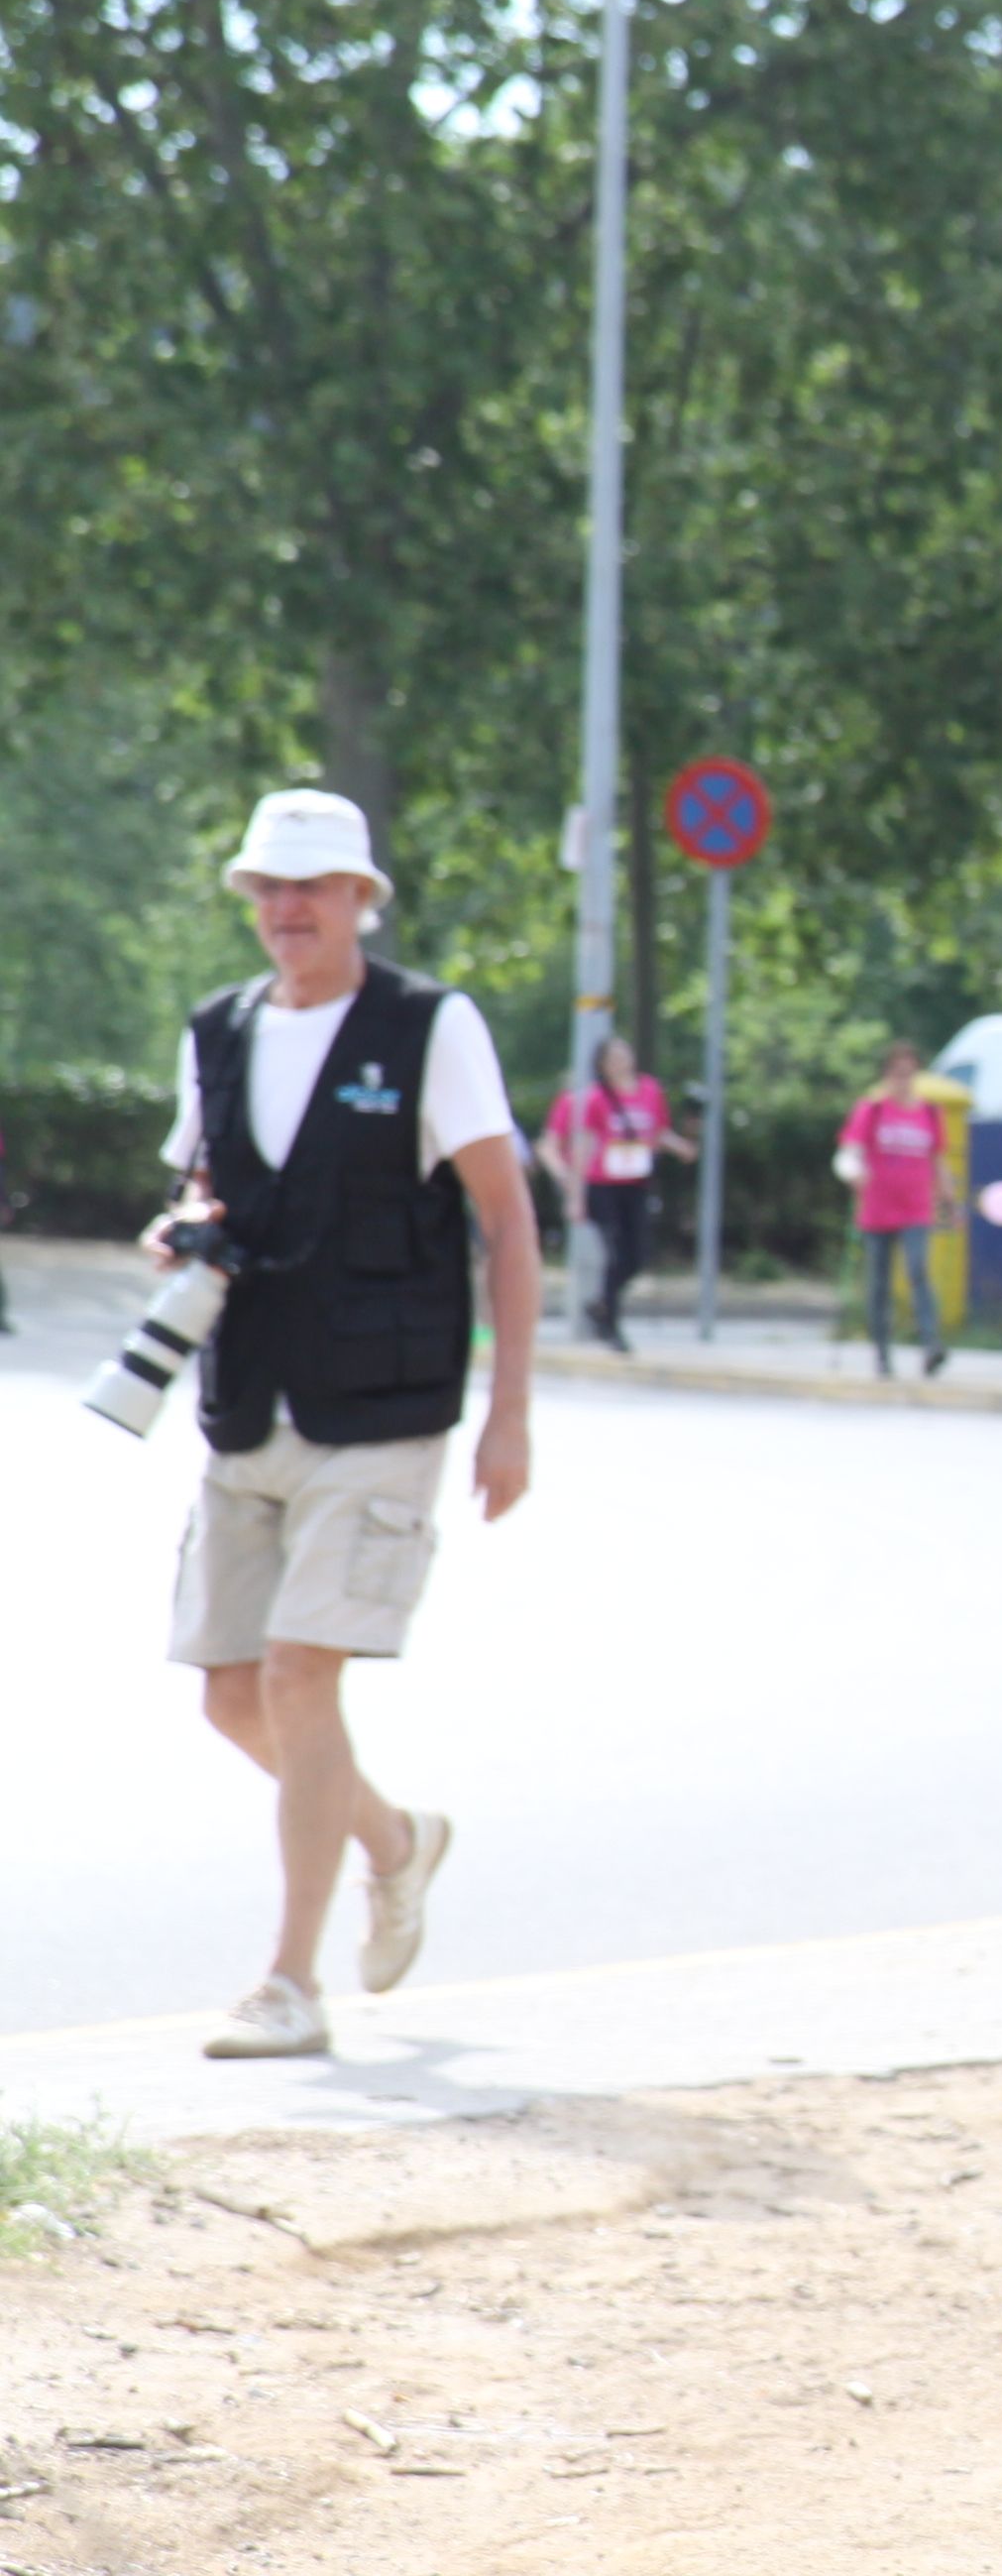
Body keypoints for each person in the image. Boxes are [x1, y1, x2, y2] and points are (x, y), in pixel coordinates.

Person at [148, 789, 528, 2061]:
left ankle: (287, 1983)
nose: (289, 908)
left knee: (303, 1677)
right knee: (230, 1694)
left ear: (364, 897)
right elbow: (206, 1182)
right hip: (244, 1400)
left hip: (385, 1408)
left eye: (314, 886)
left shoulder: (431, 1028)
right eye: (270, 887)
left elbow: (507, 1216)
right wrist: (179, 1233)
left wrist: (508, 1413)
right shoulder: (219, 1031)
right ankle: (392, 1838)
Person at [537, 1033, 689, 1353]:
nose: (621, 1062)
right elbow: (582, 1145)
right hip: (603, 1184)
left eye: (624, 1054)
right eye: (613, 1058)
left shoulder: (650, 1090)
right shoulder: (594, 1098)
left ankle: (601, 1304)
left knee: (636, 1255)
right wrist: (575, 1195)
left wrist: (681, 1147)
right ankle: (610, 1324)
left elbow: (657, 1131)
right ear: (602, 1066)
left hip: (635, 1183)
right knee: (615, 1251)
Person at [835, 1045, 950, 1378]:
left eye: (909, 1073)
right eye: (898, 1073)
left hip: (916, 1208)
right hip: (877, 1209)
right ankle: (882, 1354)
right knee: (879, 1285)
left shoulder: (929, 1113)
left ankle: (931, 1345)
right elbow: (849, 1153)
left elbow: (938, 1159)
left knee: (918, 1271)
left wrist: (948, 1199)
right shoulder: (870, 1110)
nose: (904, 1081)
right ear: (887, 1076)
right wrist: (852, 1172)